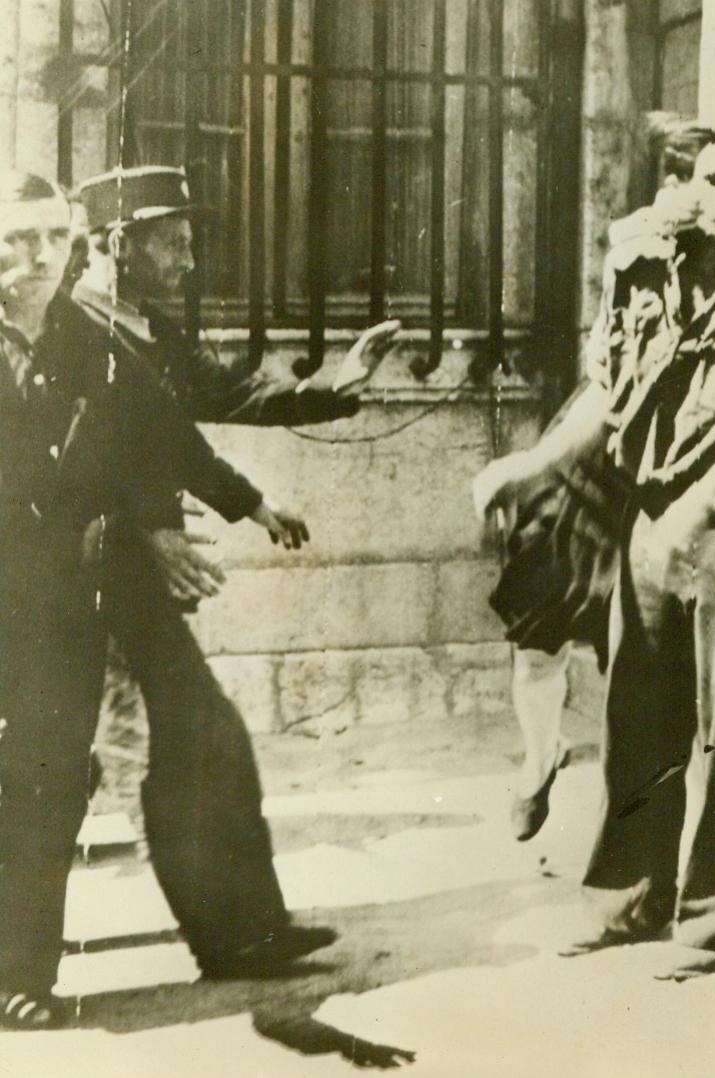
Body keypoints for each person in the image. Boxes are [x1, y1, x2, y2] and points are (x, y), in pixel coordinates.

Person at [478, 109, 715, 972]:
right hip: (650, 513)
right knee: (637, 709)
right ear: (685, 179)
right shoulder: (643, 269)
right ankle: (625, 900)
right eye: (711, 180)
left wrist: (700, 508)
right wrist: (534, 464)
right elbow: (609, 389)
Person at [71, 165, 397, 979]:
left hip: (134, 574)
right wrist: (146, 532)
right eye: (171, 243)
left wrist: (330, 387)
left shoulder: (141, 328)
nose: (186, 260)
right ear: (118, 245)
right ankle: (234, 936)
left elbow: (215, 402)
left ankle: (246, 933)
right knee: (153, 746)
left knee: (197, 738)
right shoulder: (74, 331)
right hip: (85, 576)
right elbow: (68, 467)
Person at [0, 169, 301, 1027]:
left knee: (46, 779)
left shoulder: (82, 338)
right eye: (16, 237)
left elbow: (159, 430)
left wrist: (249, 502)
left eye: (53, 238)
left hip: (59, 595)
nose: (36, 257)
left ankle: (17, 975)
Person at [473, 392, 624, 842]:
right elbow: (606, 381)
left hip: (654, 483)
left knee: (639, 654)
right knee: (538, 640)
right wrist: (532, 465)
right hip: (578, 468)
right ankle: (540, 760)